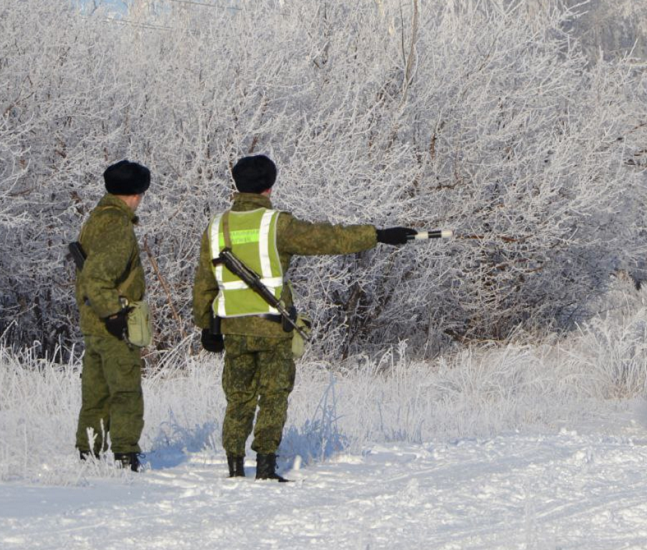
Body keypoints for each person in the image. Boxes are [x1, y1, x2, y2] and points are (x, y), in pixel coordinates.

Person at [192, 155, 416, 482]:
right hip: (272, 326)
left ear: (237, 186)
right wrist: (377, 235)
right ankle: (266, 467)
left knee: (237, 397)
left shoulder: (216, 227)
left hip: (233, 329)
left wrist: (206, 325)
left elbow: (204, 281)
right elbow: (328, 238)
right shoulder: (276, 224)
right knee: (273, 395)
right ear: (269, 188)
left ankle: (234, 466)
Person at [74, 160, 151, 472]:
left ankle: (88, 454)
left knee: (95, 394)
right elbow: (97, 276)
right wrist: (114, 314)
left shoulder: (95, 218)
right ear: (135, 194)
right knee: (125, 392)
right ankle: (125, 455)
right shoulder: (118, 225)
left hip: (91, 322)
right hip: (113, 324)